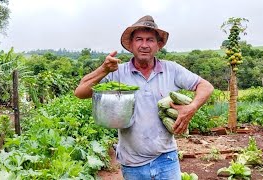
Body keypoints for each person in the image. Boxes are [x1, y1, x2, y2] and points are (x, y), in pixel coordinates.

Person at [74, 15, 214, 180]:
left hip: (166, 159)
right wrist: (103, 70)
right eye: (139, 39)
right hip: (132, 163)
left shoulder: (172, 69)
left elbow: (206, 86)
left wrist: (192, 107)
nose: (144, 45)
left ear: (158, 45)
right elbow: (80, 92)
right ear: (131, 45)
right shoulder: (117, 72)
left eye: (150, 40)